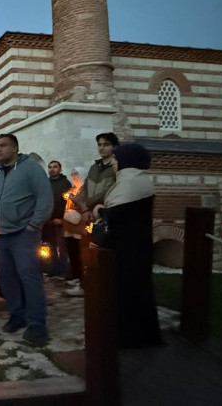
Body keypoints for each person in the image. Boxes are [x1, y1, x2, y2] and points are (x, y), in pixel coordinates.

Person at [0, 133, 52, 346]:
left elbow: (45, 199)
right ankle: (17, 315)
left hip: (24, 233)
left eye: (3, 146)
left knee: (29, 277)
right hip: (0, 234)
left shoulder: (31, 169)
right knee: (7, 277)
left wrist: (33, 225)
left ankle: (38, 324)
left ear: (15, 148)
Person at [93, 143, 163, 348]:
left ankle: (132, 339)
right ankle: (134, 336)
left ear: (125, 161)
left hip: (128, 251)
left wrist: (100, 212)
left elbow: (118, 216)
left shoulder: (131, 183)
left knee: (130, 295)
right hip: (133, 248)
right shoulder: (134, 180)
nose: (113, 163)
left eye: (115, 159)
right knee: (134, 293)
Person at [74, 132, 118, 221]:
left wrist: (91, 203)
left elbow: (113, 189)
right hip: (91, 214)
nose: (102, 148)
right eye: (99, 145)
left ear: (114, 147)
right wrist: (85, 209)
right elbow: (85, 189)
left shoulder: (116, 167)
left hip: (108, 212)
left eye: (106, 145)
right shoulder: (94, 167)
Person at [43, 160, 73, 277]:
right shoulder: (45, 183)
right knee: (51, 245)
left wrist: (60, 218)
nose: (52, 169)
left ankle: (64, 269)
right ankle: (53, 267)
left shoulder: (65, 183)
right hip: (48, 220)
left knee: (62, 246)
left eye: (55, 167)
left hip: (61, 219)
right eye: (50, 167)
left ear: (60, 169)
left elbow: (67, 202)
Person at [63, 167, 88, 293]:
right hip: (69, 223)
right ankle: (75, 275)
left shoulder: (85, 189)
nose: (75, 177)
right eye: (73, 175)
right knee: (71, 250)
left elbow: (83, 204)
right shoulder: (73, 188)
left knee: (79, 252)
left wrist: (74, 200)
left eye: (77, 174)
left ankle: (81, 278)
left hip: (79, 223)